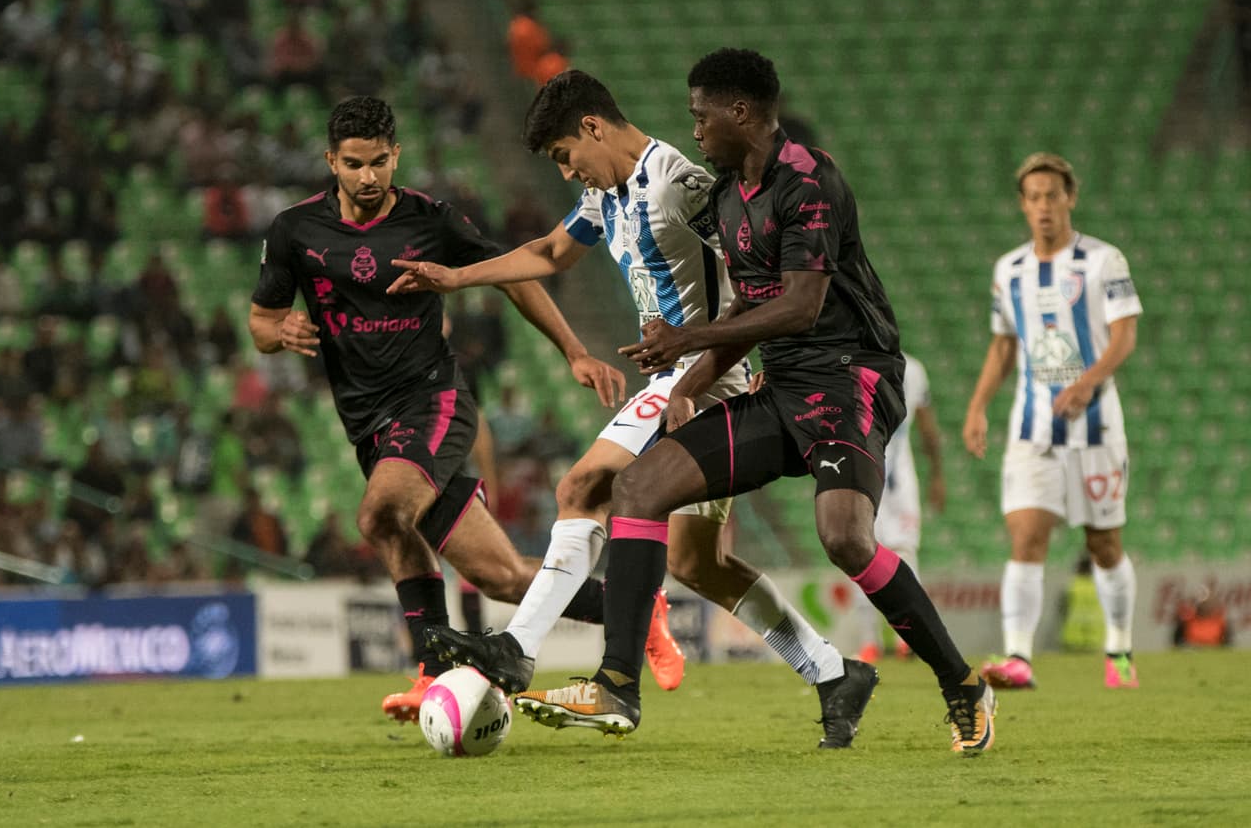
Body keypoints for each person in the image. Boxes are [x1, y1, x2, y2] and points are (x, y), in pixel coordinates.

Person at [499, 51, 995, 755]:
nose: (694, 129)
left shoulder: (809, 179)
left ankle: (962, 685)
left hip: (849, 376)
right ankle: (617, 682)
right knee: (640, 486)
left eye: (702, 115)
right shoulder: (728, 197)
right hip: (780, 384)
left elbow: (801, 303)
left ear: (741, 112)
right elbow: (748, 311)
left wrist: (686, 342)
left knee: (845, 537)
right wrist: (692, 386)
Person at [393, 70, 861, 743]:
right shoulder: (602, 192)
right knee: (697, 561)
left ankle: (518, 647)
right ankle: (831, 670)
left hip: (697, 376)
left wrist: (744, 366)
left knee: (580, 484)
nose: (566, 172)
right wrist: (459, 276)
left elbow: (755, 268)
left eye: (564, 155)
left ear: (592, 127)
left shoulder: (679, 183)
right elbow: (552, 252)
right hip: (679, 377)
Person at [248, 95, 627, 723]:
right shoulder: (295, 231)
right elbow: (260, 323)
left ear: (396, 155)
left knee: (381, 514)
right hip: (368, 424)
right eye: (352, 164)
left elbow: (514, 275)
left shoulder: (432, 219)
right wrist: (281, 332)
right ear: (330, 162)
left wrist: (574, 352)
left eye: (378, 162)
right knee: (500, 575)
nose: (367, 177)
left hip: (433, 400)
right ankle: (634, 608)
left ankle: (433, 671)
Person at [963, 152, 1143, 691]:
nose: (1044, 206)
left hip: (1095, 430)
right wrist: (977, 406)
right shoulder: (1009, 270)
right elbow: (1003, 346)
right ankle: (1018, 656)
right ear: (1023, 205)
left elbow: (1125, 334)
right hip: (1032, 430)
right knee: (1026, 537)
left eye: (1053, 195)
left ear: (1070, 199)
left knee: (1104, 544)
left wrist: (1087, 382)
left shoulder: (1103, 261)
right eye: (1034, 197)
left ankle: (1120, 649)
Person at [849, 353, 945, 663]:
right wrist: (937, 475)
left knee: (868, 552)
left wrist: (937, 476)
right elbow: (929, 430)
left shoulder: (853, 363)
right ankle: (884, 640)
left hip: (877, 473)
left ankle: (885, 641)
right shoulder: (913, 368)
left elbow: (928, 430)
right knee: (869, 552)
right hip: (881, 474)